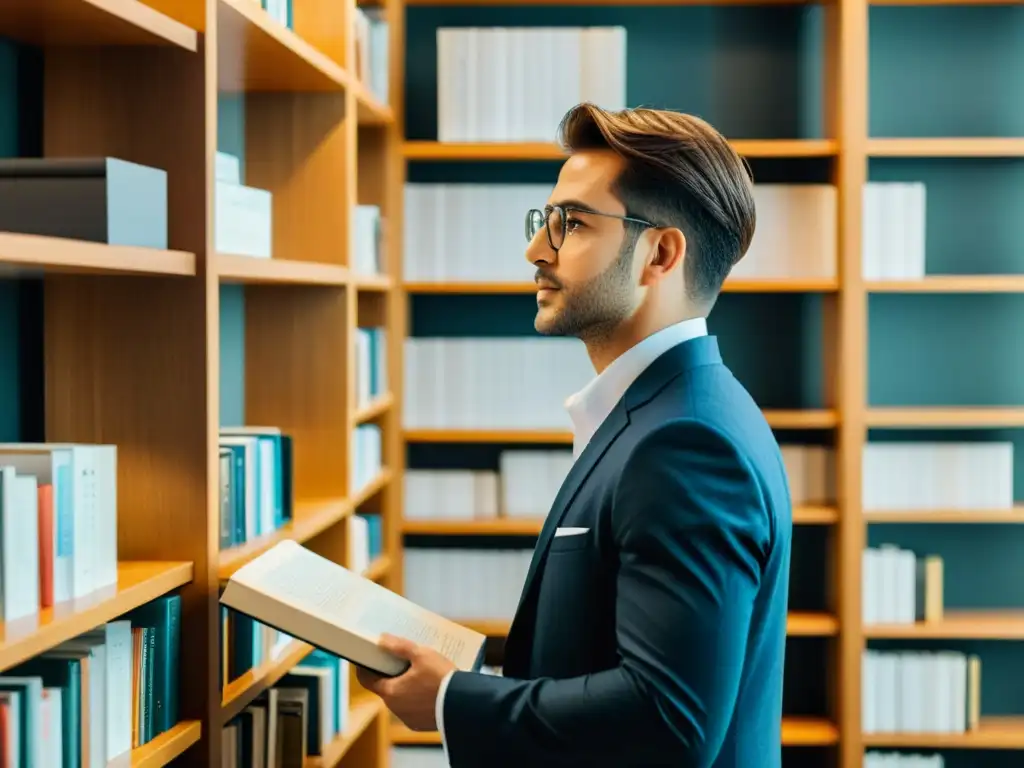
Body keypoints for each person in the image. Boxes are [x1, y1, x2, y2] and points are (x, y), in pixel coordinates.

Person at [358, 102, 793, 768]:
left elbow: (668, 720)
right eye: (546, 221)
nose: (537, 249)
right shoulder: (671, 412)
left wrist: (452, 702)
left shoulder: (686, 444)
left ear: (660, 254)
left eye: (573, 224)